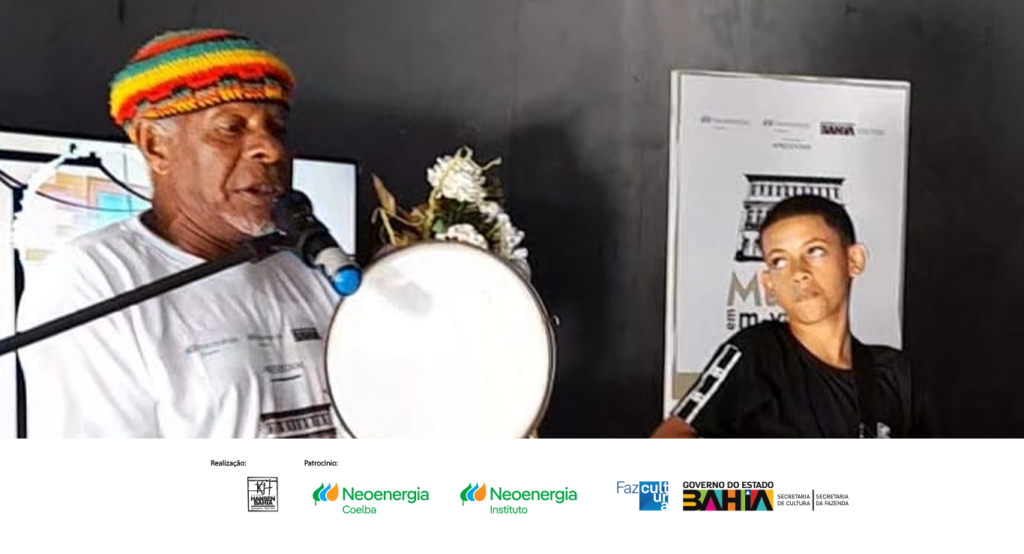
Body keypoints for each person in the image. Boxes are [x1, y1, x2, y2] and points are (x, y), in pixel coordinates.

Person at [17, 29, 341, 438]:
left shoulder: (308, 270)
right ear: (155, 146)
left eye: (277, 129)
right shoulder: (91, 283)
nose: (272, 150)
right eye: (231, 128)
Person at [651, 195, 928, 438]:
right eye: (779, 261)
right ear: (769, 284)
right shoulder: (756, 354)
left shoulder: (893, 373)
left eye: (815, 251)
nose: (798, 273)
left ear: (853, 260)